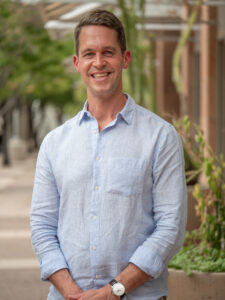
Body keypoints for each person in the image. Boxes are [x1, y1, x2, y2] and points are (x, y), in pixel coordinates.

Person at [30, 9, 187, 300]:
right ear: (77, 63)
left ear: (125, 59)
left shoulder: (160, 137)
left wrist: (113, 291)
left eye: (108, 52)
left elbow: (171, 227)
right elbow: (42, 226)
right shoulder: (54, 143)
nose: (99, 62)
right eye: (89, 53)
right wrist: (72, 293)